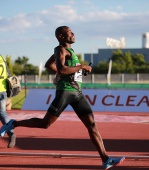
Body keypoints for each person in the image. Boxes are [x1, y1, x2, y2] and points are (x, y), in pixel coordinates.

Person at [0, 26, 125, 169]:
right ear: (61, 36)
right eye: (69, 32)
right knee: (45, 124)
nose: (73, 34)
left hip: (77, 93)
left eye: (72, 32)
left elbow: (49, 66)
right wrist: (81, 67)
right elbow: (62, 69)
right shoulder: (61, 50)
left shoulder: (70, 51)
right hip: (65, 92)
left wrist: (70, 72)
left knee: (92, 125)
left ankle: (106, 159)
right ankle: (13, 124)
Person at [0, 55, 16, 148]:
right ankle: (11, 133)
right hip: (3, 90)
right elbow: (9, 74)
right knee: (2, 113)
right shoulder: (1, 57)